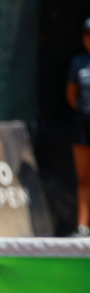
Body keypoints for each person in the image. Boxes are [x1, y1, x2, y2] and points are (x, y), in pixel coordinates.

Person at [66, 17, 90, 237]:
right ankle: (83, 228)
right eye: (86, 34)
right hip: (83, 123)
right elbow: (71, 96)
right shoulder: (78, 62)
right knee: (84, 178)